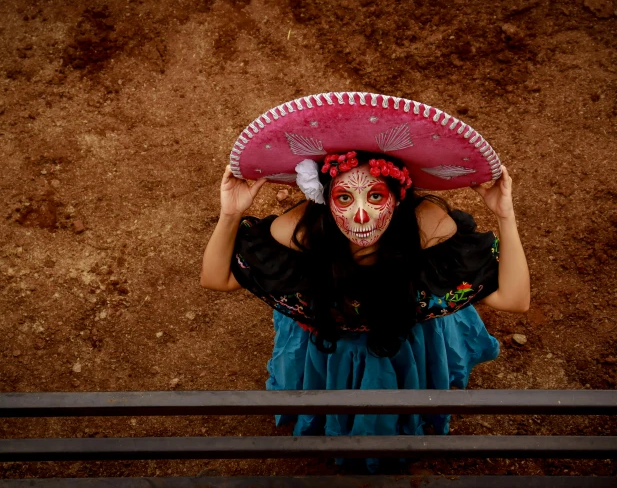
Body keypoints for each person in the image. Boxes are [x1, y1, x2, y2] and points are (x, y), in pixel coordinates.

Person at [200, 93, 530, 472]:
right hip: (329, 341)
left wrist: (506, 214)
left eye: (375, 195)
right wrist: (230, 214)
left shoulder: (429, 226)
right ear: (325, 199)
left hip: (402, 338)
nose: (360, 215)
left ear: (397, 198)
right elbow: (215, 278)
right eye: (344, 197)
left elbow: (516, 300)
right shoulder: (300, 231)